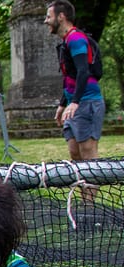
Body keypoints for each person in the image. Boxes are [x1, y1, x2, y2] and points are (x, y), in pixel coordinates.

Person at [45, 0, 104, 162]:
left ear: (61, 17)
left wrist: (75, 102)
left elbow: (83, 71)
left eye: (49, 16)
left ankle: (91, 187)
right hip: (74, 104)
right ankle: (83, 187)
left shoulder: (76, 39)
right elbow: (70, 76)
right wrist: (63, 104)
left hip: (87, 102)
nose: (46, 21)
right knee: (75, 153)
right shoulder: (66, 42)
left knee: (88, 153)